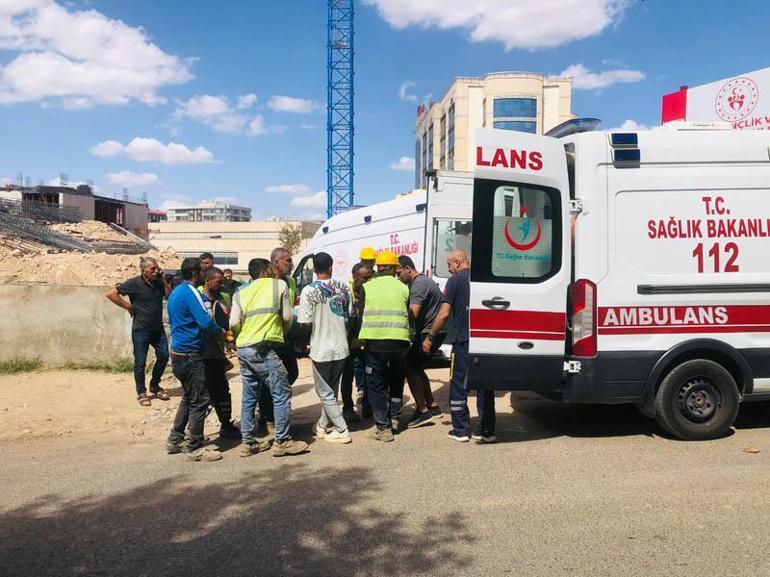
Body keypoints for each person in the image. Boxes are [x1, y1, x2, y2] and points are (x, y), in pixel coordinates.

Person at [230, 257, 308, 457]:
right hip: (263, 347)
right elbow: (288, 317)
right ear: (264, 272)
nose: (274, 271)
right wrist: (281, 331)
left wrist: (241, 335)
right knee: (281, 392)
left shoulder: (240, 292)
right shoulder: (278, 285)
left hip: (244, 347)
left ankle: (248, 443)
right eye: (270, 268)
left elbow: (233, 322)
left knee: (249, 396)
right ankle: (282, 441)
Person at [423, 250, 496, 443]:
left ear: (457, 263)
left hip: (463, 342)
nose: (448, 269)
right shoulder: (486, 279)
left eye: (448, 265)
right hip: (485, 342)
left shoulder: (455, 282)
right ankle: (487, 431)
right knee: (485, 386)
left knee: (458, 386)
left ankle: (461, 430)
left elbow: (444, 313)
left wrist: (430, 337)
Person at [165, 258, 225, 462]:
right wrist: (221, 333)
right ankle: (195, 446)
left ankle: (175, 439)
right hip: (191, 353)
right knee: (200, 400)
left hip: (179, 352)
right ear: (196, 272)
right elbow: (205, 322)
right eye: (202, 270)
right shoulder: (191, 292)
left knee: (189, 397)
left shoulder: (176, 292)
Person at [298, 252, 353, 444]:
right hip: (341, 346)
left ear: (314, 268)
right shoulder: (344, 288)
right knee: (331, 389)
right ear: (331, 267)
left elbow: (305, 323)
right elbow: (350, 315)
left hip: (321, 347)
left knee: (325, 392)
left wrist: (303, 343)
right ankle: (322, 426)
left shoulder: (308, 291)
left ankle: (342, 429)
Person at [359, 250, 411, 442]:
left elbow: (360, 314)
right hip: (399, 343)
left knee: (376, 385)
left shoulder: (367, 287)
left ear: (378, 267)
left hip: (375, 343)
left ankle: (383, 427)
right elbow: (408, 314)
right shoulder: (403, 287)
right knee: (397, 381)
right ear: (394, 268)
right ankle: (395, 418)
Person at [106, 256, 171, 407]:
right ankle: (141, 392)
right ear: (144, 271)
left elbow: (169, 296)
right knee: (140, 362)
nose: (156, 271)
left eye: (157, 268)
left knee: (164, 356)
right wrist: (128, 306)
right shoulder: (134, 283)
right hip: (141, 329)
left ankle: (155, 385)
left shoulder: (158, 283)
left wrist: (163, 281)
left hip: (157, 329)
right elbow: (111, 294)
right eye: (152, 269)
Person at [397, 255, 444, 427]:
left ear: (408, 268)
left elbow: (412, 314)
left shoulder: (418, 285)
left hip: (430, 332)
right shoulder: (421, 282)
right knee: (417, 367)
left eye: (399, 272)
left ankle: (422, 411)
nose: (397, 277)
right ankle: (432, 405)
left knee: (410, 367)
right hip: (431, 331)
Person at [200, 267, 240, 440]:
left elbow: (227, 323)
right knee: (204, 394)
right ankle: (193, 432)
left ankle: (226, 424)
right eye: (218, 281)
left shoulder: (220, 299)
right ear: (207, 280)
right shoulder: (198, 300)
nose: (221, 283)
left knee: (222, 391)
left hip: (217, 353)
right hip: (202, 353)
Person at [340, 262, 373, 420]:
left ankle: (367, 406)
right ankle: (348, 408)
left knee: (368, 375)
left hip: (367, 341)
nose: (367, 281)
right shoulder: (346, 292)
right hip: (349, 342)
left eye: (369, 278)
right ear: (355, 277)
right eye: (364, 278)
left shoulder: (372, 291)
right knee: (347, 376)